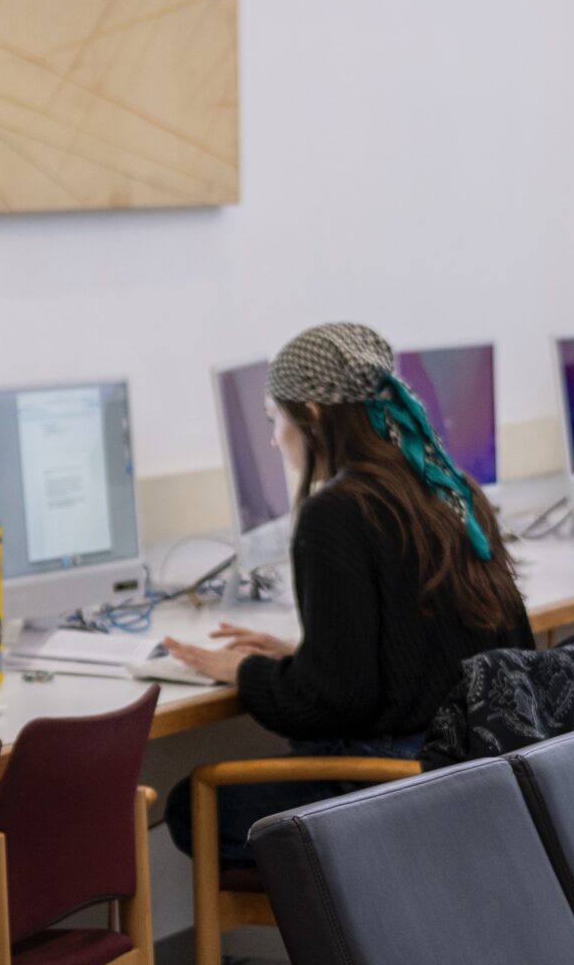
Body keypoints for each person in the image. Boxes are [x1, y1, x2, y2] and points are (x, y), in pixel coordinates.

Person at [164, 321, 534, 867]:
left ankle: (360, 938)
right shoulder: (449, 489)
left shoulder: (335, 514)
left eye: (278, 420)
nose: (274, 439)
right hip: (483, 774)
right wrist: (299, 658)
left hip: (404, 786)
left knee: (188, 807)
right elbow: (422, 651)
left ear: (313, 415)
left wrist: (243, 673)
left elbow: (335, 702)